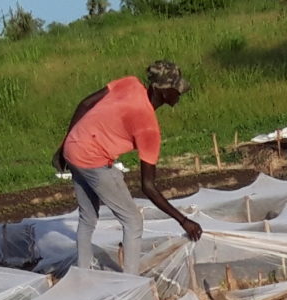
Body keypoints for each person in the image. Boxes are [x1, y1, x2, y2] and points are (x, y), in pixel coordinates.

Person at [56, 60, 202, 273]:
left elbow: (85, 104)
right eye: (176, 90)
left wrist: (64, 146)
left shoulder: (130, 83)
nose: (179, 94)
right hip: (92, 160)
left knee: (87, 217)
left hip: (73, 149)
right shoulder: (148, 127)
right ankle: (130, 285)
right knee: (133, 221)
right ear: (163, 92)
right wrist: (183, 220)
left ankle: (83, 274)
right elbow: (148, 186)